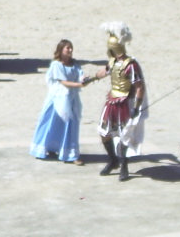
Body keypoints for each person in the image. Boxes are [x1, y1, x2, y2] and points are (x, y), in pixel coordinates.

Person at [89, 21, 148, 182]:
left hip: (125, 103)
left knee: (124, 136)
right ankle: (113, 160)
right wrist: (91, 78)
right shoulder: (113, 62)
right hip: (112, 101)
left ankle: (124, 166)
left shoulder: (131, 65)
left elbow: (139, 86)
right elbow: (105, 72)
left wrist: (136, 106)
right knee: (104, 134)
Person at [30, 39, 90, 165]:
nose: (70, 50)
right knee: (51, 124)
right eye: (67, 48)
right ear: (61, 50)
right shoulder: (56, 65)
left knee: (71, 126)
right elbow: (63, 82)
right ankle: (49, 148)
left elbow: (80, 74)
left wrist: (84, 79)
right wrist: (79, 84)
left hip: (71, 99)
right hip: (58, 100)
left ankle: (72, 154)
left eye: (71, 48)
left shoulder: (75, 64)